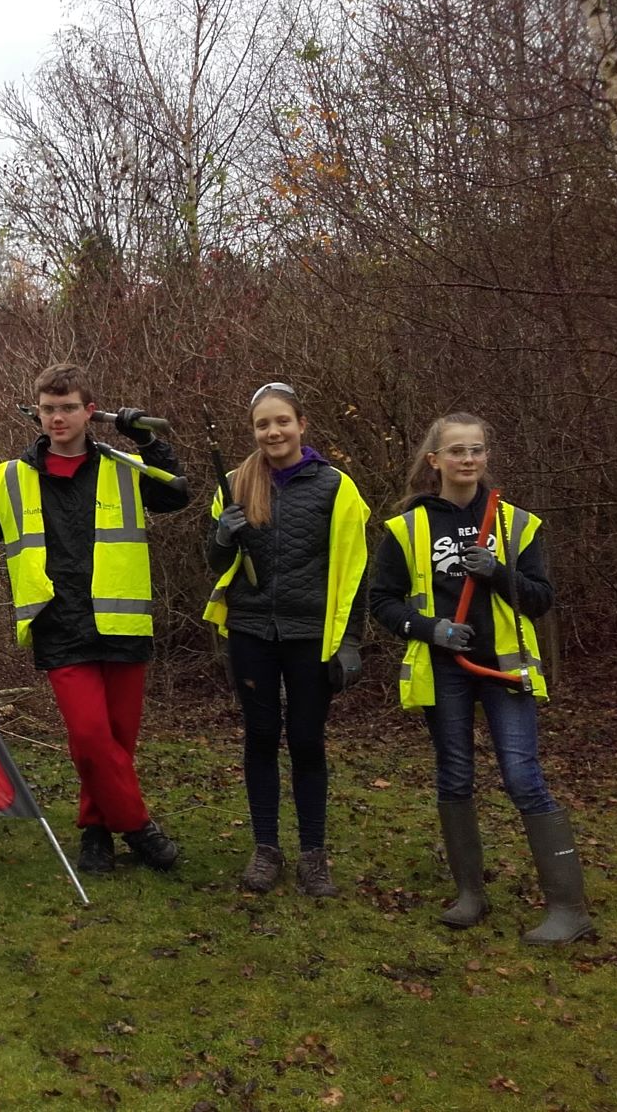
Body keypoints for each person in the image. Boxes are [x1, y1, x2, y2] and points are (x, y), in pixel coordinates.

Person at [0, 363, 189, 876]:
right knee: (91, 736)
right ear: (37, 412)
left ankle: (96, 832)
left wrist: (146, 440)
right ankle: (138, 827)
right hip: (59, 624)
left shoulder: (121, 466)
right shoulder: (15, 477)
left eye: (69, 408)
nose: (58, 417)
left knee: (116, 742)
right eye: (49, 408)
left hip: (122, 622)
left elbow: (175, 495)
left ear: (89, 412)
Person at [369, 412, 591, 943]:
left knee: (522, 777)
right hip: (444, 670)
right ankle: (470, 894)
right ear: (435, 460)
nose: (468, 459)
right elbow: (382, 602)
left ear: (486, 456)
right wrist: (432, 629)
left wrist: (497, 573)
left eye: (476, 450)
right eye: (457, 451)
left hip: (504, 669)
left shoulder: (515, 523)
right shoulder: (408, 528)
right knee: (454, 776)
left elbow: (540, 599)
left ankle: (569, 908)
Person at [201, 382, 371, 897]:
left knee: (305, 740)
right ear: (253, 431)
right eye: (262, 424)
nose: (273, 432)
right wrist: (222, 535)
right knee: (259, 737)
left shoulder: (336, 487)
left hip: (311, 635)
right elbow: (214, 563)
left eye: (282, 421)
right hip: (251, 631)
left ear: (301, 424)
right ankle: (266, 849)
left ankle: (313, 854)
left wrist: (350, 641)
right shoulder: (234, 484)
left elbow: (356, 570)